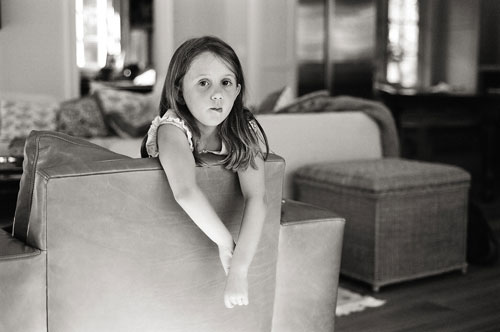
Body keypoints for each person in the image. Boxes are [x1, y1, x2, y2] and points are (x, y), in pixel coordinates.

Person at [140, 36, 269, 309]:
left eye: (226, 82)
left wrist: (240, 269)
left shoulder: (244, 130)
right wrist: (225, 243)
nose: (217, 94)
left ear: (237, 90)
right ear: (179, 90)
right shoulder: (171, 128)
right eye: (203, 83)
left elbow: (256, 197)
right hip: (164, 237)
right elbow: (185, 191)